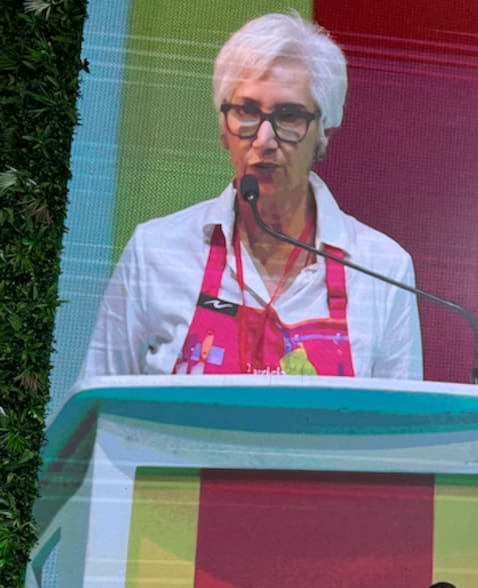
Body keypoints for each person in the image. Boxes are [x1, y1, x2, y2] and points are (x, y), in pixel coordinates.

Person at [82, 12, 423, 379]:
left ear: (324, 132)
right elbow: (98, 416)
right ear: (222, 129)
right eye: (246, 111)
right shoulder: (155, 252)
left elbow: (399, 432)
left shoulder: (383, 269)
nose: (264, 140)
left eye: (289, 115)